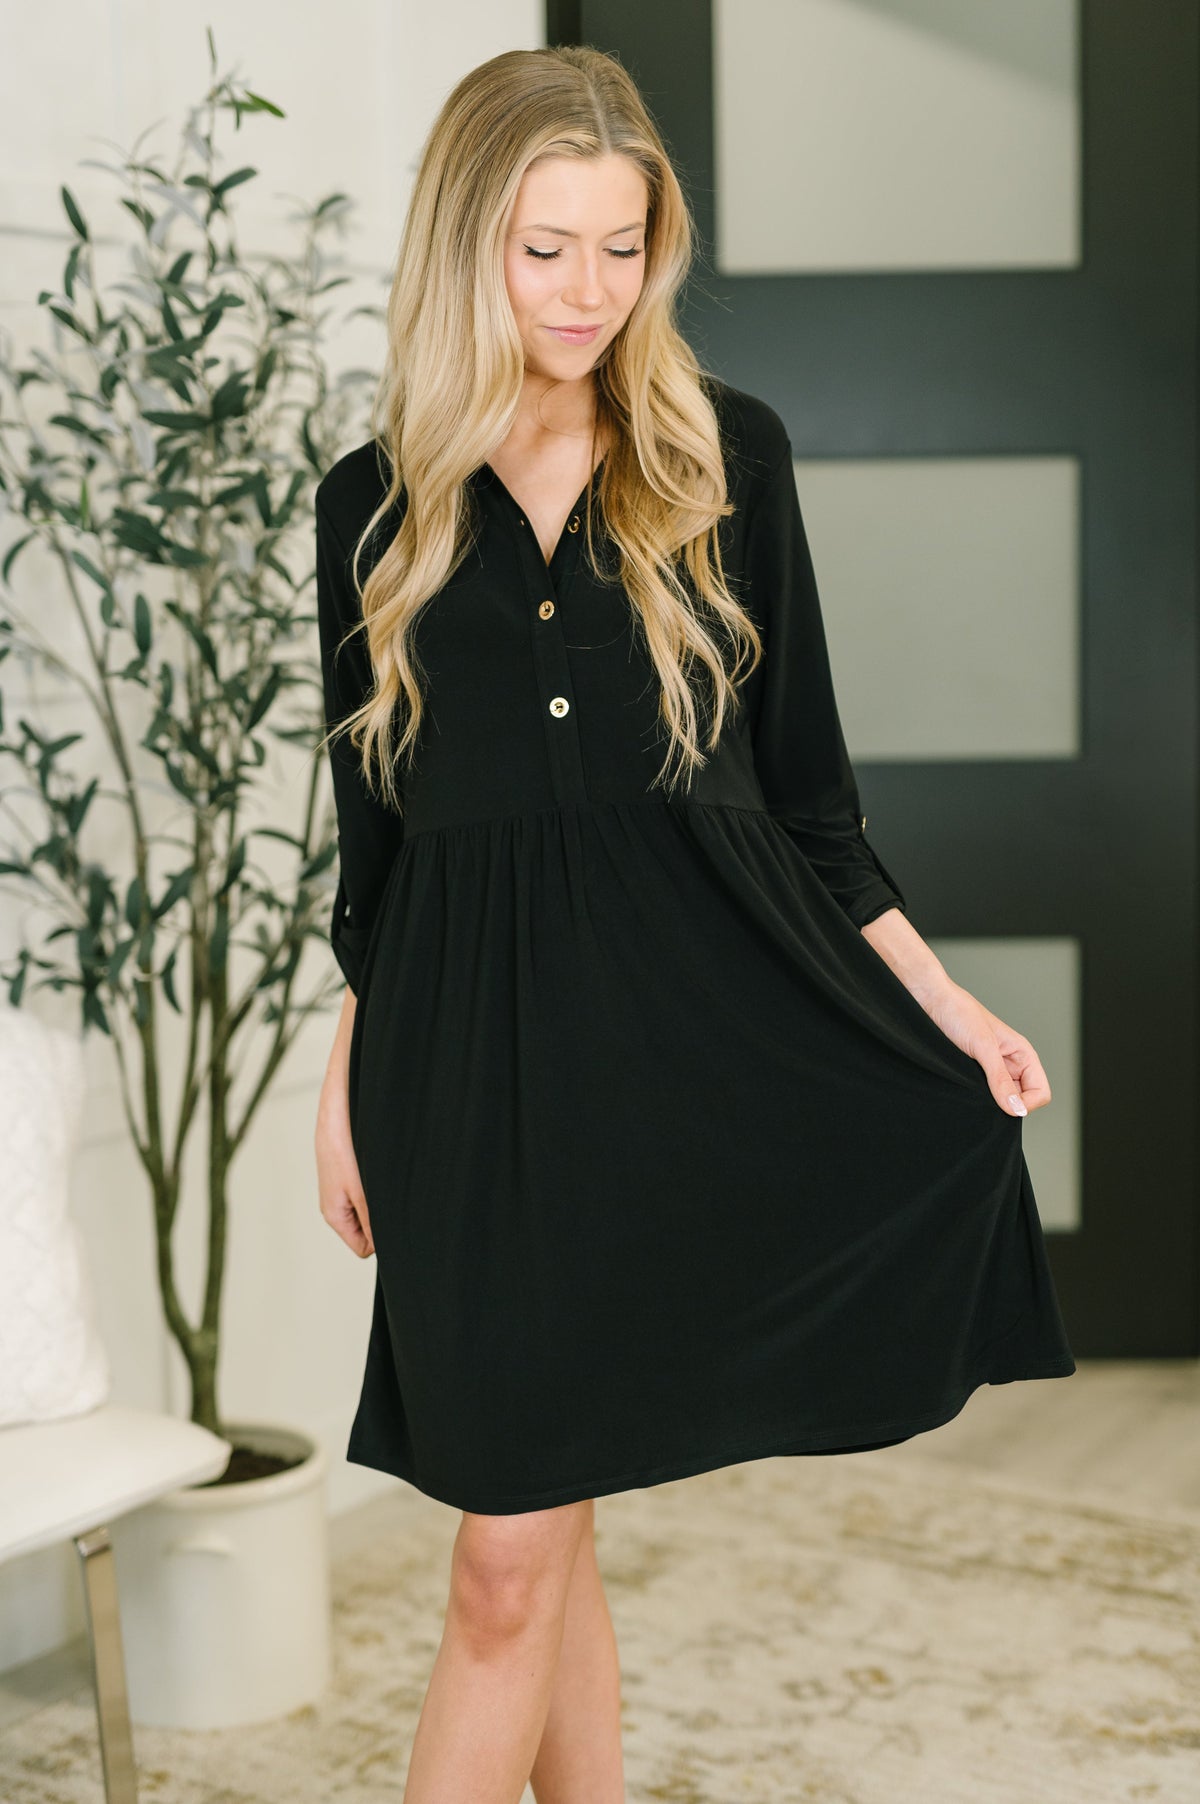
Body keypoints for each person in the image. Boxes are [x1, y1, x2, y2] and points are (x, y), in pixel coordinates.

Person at [312, 43, 1076, 1804]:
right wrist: (345, 1081)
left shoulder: (727, 455)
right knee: (512, 1548)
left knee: (539, 1537)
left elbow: (809, 794)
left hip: (684, 1041)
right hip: (466, 1077)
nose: (587, 292)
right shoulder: (374, 503)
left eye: (619, 247)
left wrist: (943, 1006)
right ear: (463, 249)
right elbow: (378, 850)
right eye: (541, 248)